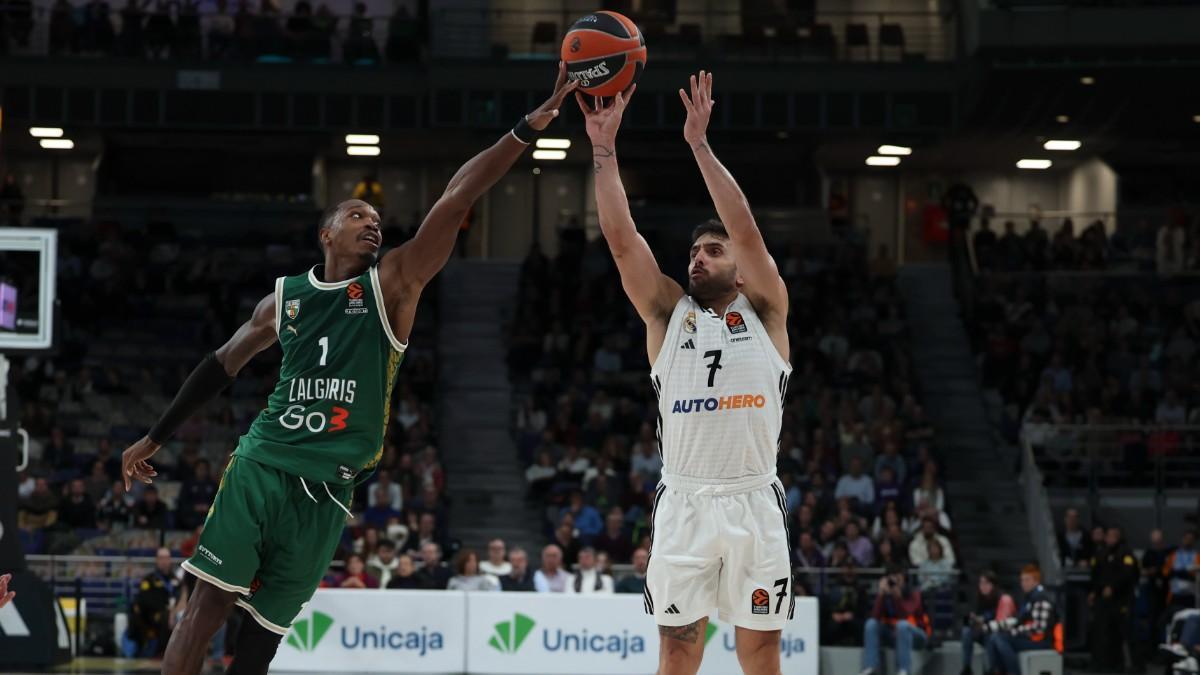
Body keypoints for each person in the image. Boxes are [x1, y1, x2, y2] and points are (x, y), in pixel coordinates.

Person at [123, 65, 579, 675]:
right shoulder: (281, 300)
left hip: (330, 488)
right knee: (205, 606)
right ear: (326, 232)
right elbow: (218, 367)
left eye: (376, 219)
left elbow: (458, 197)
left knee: (260, 639)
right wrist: (155, 437)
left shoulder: (393, 284)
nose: (373, 223)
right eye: (358, 215)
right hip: (264, 463)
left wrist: (523, 131)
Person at [579, 69, 793, 675]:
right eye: (694, 251)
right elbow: (622, 241)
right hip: (686, 502)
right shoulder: (668, 315)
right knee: (676, 650)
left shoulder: (768, 310)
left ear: (743, 270)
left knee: (761, 652)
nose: (698, 258)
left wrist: (699, 145)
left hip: (753, 499)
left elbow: (746, 227)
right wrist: (602, 148)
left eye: (712, 251)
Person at [980, 564, 1060, 675]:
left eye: (1027, 580)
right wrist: (994, 626)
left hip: (1041, 641)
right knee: (993, 636)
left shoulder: (1041, 599)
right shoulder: (1029, 598)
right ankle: (997, 670)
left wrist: (1014, 632)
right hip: (1030, 637)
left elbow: (1039, 628)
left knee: (1000, 639)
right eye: (1022, 580)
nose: (1023, 583)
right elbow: (1018, 620)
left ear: (1036, 581)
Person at [860, 565, 931, 675]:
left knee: (902, 625)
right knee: (871, 624)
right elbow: (875, 616)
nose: (895, 581)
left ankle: (903, 670)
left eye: (898, 577)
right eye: (892, 578)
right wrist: (881, 594)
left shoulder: (914, 594)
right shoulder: (886, 594)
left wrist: (897, 597)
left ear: (904, 578)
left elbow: (905, 615)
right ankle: (870, 667)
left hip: (916, 634)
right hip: (894, 634)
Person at [1088, 527, 1138, 671]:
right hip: (1102, 599)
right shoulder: (1100, 553)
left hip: (1120, 599)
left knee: (1121, 632)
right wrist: (1094, 591)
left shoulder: (1125, 553)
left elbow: (1128, 574)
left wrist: (1113, 587)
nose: (1111, 539)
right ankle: (1101, 664)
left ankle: (1124, 665)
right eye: (1109, 536)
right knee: (1101, 631)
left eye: (1114, 536)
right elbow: (1095, 574)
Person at [960, 571, 1015, 675]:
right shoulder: (978, 597)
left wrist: (984, 618)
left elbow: (1000, 618)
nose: (982, 586)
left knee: (991, 637)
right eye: (981, 583)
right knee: (966, 632)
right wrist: (973, 619)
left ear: (993, 585)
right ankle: (966, 667)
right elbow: (970, 615)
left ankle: (991, 669)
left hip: (994, 630)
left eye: (986, 583)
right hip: (980, 629)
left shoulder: (1001, 598)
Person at [127, 548, 178, 657]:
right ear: (156, 560)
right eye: (161, 558)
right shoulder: (149, 579)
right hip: (153, 614)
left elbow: (180, 597)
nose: (164, 561)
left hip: (174, 612)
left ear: (170, 560)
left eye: (166, 558)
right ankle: (156, 651)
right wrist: (164, 608)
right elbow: (143, 599)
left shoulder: (176, 580)